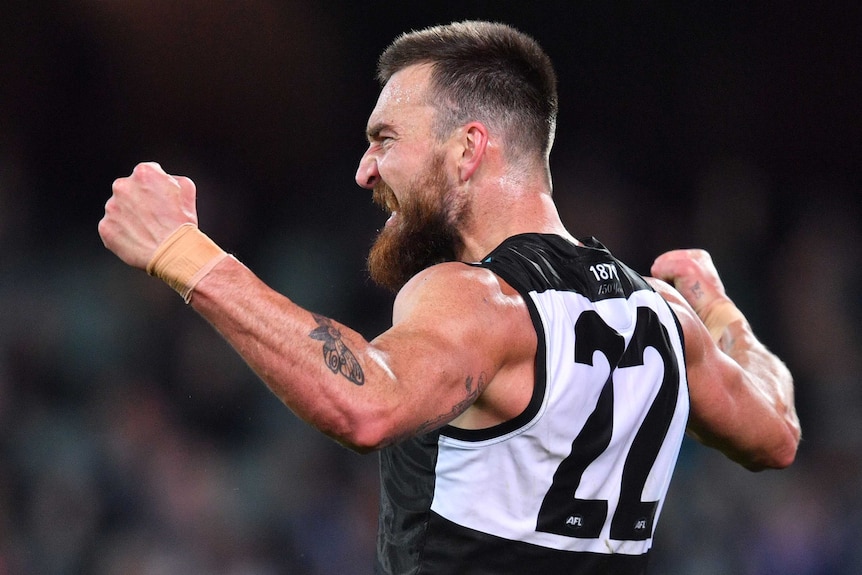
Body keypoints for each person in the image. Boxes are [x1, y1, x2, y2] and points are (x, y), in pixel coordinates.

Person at [98, 20, 800, 575]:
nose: (364, 169)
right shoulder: (666, 320)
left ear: (467, 150)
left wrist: (183, 251)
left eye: (385, 139)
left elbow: (365, 402)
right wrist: (720, 309)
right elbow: (777, 431)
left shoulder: (482, 300)